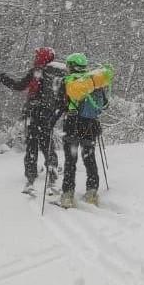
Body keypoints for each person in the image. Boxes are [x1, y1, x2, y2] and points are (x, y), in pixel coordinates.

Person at [0, 46, 67, 194]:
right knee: (47, 143)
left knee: (32, 146)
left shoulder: (36, 71)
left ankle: (30, 179)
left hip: (34, 113)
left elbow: (19, 86)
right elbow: (62, 96)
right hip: (49, 114)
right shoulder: (59, 73)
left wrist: (4, 79)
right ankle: (53, 174)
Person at [58, 52, 113, 208]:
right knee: (90, 160)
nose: (67, 68)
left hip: (72, 126)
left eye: (68, 65)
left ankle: (67, 195)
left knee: (70, 162)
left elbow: (60, 104)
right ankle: (92, 193)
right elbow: (105, 105)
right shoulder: (94, 81)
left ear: (72, 66)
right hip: (90, 126)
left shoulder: (68, 82)